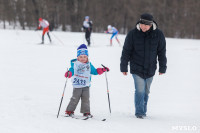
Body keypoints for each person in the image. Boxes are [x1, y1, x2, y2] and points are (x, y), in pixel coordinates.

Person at [120, 13, 167, 119]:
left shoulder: (158, 34)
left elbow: (161, 52)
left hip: (150, 68)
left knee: (146, 91)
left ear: (151, 24)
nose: (144, 27)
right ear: (139, 23)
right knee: (140, 90)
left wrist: (162, 67)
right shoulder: (132, 34)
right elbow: (126, 51)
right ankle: (140, 112)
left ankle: (143, 110)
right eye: (142, 24)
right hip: (136, 67)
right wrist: (123, 66)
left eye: (146, 25)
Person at [64, 44, 109, 118]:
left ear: (87, 57)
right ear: (77, 57)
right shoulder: (75, 64)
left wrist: (102, 69)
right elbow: (72, 70)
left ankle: (86, 112)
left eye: (85, 57)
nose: (83, 58)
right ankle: (69, 111)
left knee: (86, 99)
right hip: (77, 85)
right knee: (75, 98)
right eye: (81, 57)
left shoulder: (89, 64)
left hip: (86, 85)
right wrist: (69, 73)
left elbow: (94, 71)